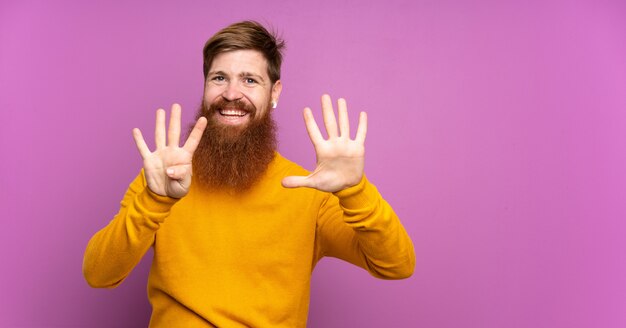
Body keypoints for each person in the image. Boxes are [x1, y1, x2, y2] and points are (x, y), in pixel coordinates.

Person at [83, 20, 415, 327]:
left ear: (274, 93)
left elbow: (396, 264)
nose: (231, 93)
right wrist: (154, 200)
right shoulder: (164, 180)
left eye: (250, 80)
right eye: (219, 78)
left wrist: (354, 190)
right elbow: (99, 274)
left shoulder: (308, 192)